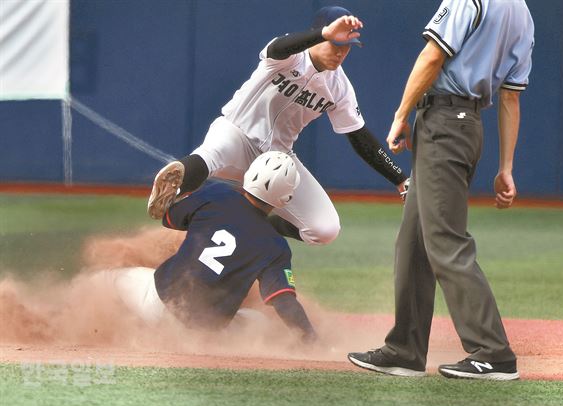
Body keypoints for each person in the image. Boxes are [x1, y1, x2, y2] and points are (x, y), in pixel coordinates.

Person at [348, 0, 534, 380]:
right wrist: (506, 168)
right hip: (468, 126)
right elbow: (511, 97)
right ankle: (405, 349)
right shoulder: (523, 15)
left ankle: (493, 352)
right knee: (414, 243)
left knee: (445, 242)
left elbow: (433, 56)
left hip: (445, 124)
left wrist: (401, 114)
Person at [147, 6, 408, 245]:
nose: (341, 52)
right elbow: (279, 48)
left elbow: (359, 137)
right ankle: (175, 187)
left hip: (278, 160)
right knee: (211, 154)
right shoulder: (290, 56)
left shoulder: (339, 88)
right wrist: (324, 33)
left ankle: (243, 220)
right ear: (317, 36)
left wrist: (400, 180)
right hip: (236, 133)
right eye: (335, 43)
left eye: (348, 45)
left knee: (324, 229)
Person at [113, 152, 317, 343]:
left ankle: (115, 328)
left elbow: (169, 219)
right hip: (201, 335)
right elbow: (283, 302)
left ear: (249, 175)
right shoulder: (276, 246)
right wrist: (312, 341)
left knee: (110, 279)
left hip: (155, 301)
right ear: (285, 199)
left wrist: (178, 199)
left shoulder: (217, 194)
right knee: (259, 321)